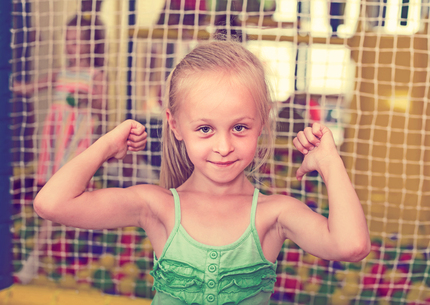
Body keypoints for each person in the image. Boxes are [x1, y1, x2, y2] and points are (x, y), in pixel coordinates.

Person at [34, 40, 370, 304]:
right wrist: (107, 143)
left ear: (262, 122)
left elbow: (351, 245)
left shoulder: (274, 213)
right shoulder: (158, 206)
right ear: (176, 125)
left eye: (239, 127)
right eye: (205, 129)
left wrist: (330, 163)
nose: (223, 146)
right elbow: (52, 203)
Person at [13, 14, 107, 284]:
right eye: (68, 41)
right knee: (56, 196)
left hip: (77, 144)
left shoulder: (95, 75)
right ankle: (64, 246)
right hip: (55, 144)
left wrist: (84, 97)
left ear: (91, 44)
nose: (71, 46)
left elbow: (103, 105)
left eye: (77, 42)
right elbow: (28, 88)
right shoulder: (59, 73)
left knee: (63, 195)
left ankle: (36, 258)